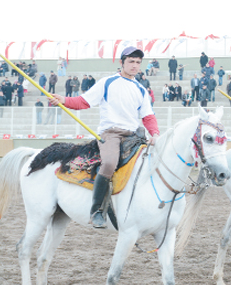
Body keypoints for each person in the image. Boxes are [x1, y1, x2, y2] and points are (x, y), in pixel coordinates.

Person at [48, 46, 159, 228]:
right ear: (121, 62)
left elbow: (148, 117)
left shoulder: (141, 89)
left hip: (134, 135)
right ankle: (96, 210)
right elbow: (83, 102)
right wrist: (64, 100)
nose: (135, 65)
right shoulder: (107, 82)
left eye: (138, 62)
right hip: (111, 134)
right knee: (109, 164)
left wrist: (154, 133)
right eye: (131, 61)